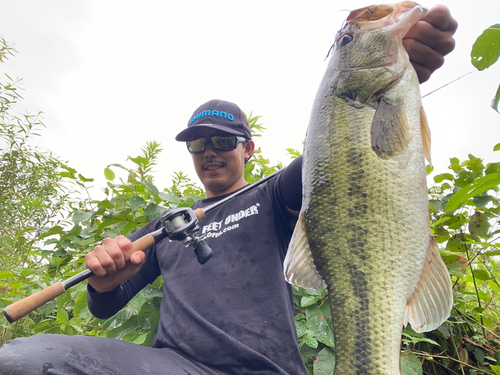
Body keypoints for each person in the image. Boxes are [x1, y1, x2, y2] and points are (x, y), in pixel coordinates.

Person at [0, 5, 458, 375]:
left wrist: (401, 80)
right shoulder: (167, 228)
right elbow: (106, 306)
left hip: (269, 367)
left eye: (223, 141)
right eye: (198, 143)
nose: (210, 152)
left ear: (249, 149)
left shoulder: (274, 196)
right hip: (174, 365)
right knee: (22, 361)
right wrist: (104, 281)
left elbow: (338, 159)